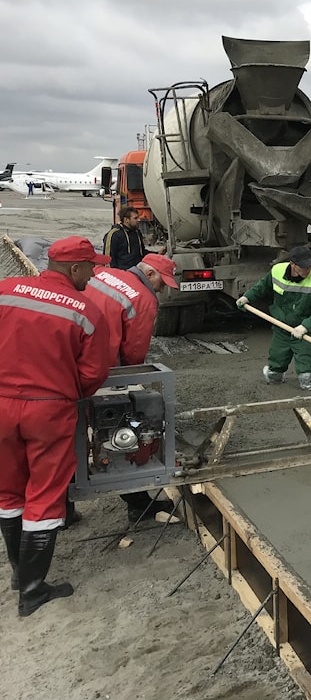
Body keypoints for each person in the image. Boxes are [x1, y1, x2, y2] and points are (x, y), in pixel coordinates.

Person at [0, 236, 113, 617]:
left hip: (1, 404)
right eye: (91, 267)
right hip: (48, 410)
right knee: (46, 494)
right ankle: (32, 591)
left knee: (8, 490)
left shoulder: (6, 290)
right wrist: (64, 390)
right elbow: (93, 374)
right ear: (74, 268)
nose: (94, 274)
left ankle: (19, 574)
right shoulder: (85, 311)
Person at [85, 253, 180, 523]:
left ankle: (62, 511)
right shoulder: (143, 298)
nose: (161, 290)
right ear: (149, 274)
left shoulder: (105, 273)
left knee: (67, 434)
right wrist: (129, 383)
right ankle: (137, 503)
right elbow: (134, 351)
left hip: (70, 354)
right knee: (123, 426)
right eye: (162, 283)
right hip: (97, 364)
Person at [236, 246, 311, 392]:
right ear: (293, 264)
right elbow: (262, 287)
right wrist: (247, 297)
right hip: (281, 327)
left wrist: (306, 326)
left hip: (303, 331)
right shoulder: (277, 271)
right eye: (304, 267)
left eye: (310, 266)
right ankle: (275, 377)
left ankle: (308, 382)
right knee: (275, 365)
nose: (308, 270)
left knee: (305, 369)